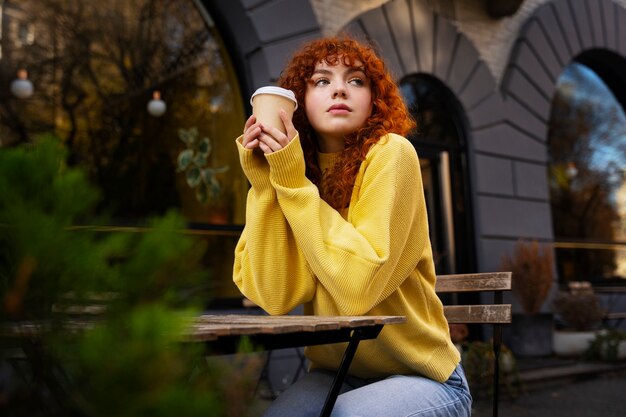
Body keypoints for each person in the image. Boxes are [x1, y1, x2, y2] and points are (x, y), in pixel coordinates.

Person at [233, 36, 471, 417]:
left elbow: (360, 287)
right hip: (338, 372)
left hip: (425, 377)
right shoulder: (297, 173)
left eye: (356, 80)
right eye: (322, 81)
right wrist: (265, 185)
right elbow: (274, 295)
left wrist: (292, 184)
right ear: (297, 102)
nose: (340, 88)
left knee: (344, 416)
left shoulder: (392, 154)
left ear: (374, 99)